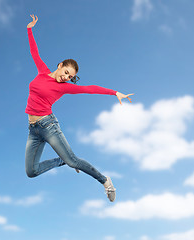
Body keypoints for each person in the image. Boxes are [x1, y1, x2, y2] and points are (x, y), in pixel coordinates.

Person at [24, 14, 133, 202]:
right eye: (66, 72)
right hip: (33, 130)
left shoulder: (65, 87)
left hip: (48, 126)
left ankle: (105, 181)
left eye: (70, 76)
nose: (66, 77)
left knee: (73, 160)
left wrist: (115, 93)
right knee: (31, 171)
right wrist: (29, 29)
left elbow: (90, 89)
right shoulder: (42, 71)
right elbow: (35, 52)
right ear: (59, 66)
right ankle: (61, 161)